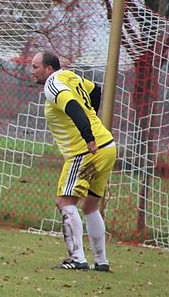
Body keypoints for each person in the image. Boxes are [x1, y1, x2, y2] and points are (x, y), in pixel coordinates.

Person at [31, 51, 116, 272]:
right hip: (107, 146)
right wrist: (93, 120)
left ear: (49, 68)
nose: (32, 72)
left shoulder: (53, 84)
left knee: (64, 201)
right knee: (90, 205)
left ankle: (77, 259)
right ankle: (101, 262)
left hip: (86, 151)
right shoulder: (70, 76)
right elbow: (95, 90)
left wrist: (88, 136)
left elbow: (73, 108)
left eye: (35, 67)